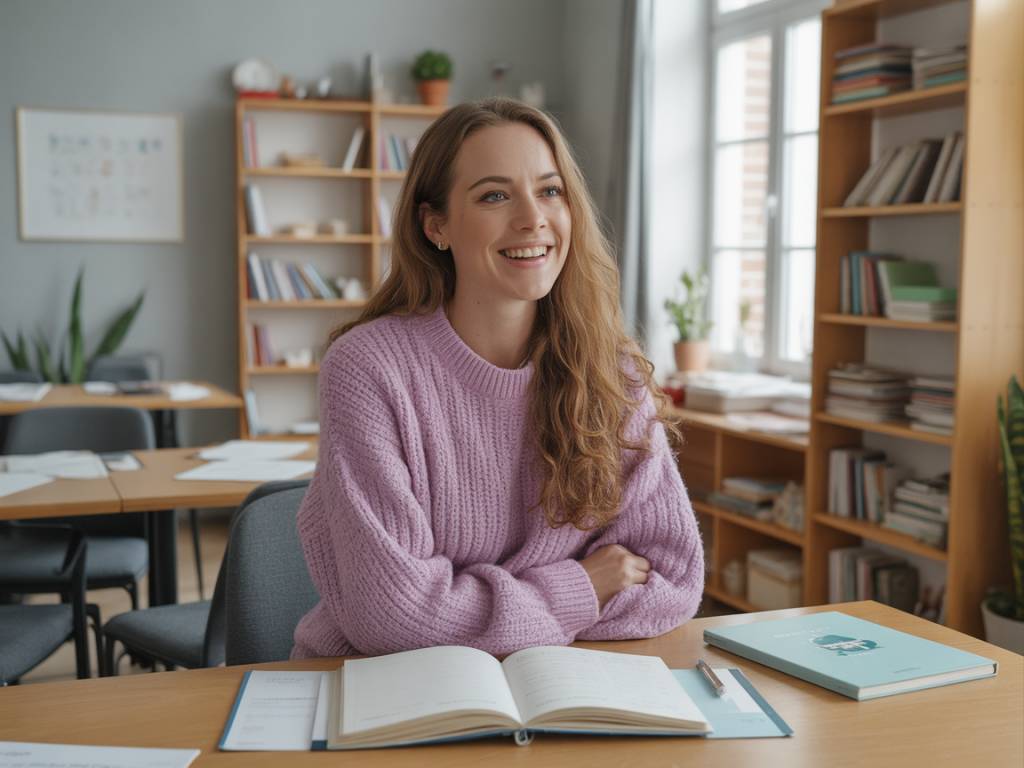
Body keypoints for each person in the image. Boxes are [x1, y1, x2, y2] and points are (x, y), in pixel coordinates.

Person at [292, 98, 704, 659]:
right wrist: (581, 585)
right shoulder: (368, 369)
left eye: (550, 190)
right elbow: (393, 618)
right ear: (435, 224)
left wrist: (468, 611)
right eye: (494, 195)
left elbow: (673, 582)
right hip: (381, 694)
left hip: (558, 683)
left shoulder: (615, 375)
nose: (532, 218)